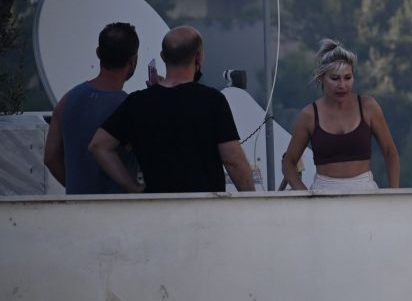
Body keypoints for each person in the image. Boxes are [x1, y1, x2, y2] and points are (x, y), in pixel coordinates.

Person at [89, 26, 255, 193]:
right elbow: (233, 160)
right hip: (204, 210)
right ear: (199, 57)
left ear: (162, 56)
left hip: (157, 209)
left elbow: (99, 146)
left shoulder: (138, 102)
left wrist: (132, 187)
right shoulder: (212, 101)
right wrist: (252, 204)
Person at [282, 39, 400, 192]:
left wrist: (394, 194)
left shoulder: (369, 107)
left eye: (347, 78)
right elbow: (289, 163)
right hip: (324, 191)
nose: (342, 85)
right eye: (335, 78)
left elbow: (390, 152)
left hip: (365, 190)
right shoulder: (309, 115)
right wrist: (306, 196)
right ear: (321, 78)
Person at [43, 22, 140, 194]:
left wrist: (77, 190)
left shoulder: (68, 100)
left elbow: (51, 158)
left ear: (98, 53)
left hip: (78, 210)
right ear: (132, 59)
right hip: (120, 212)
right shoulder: (130, 108)